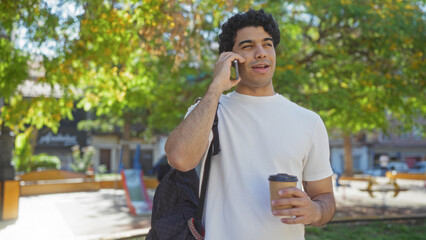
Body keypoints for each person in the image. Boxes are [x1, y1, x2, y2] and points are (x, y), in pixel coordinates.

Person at [165, 9, 335, 239]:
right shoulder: (209, 112)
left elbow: (325, 198)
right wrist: (216, 86)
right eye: (247, 46)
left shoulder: (309, 121)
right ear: (230, 58)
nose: (260, 53)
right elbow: (180, 159)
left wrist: (314, 211)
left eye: (267, 44)